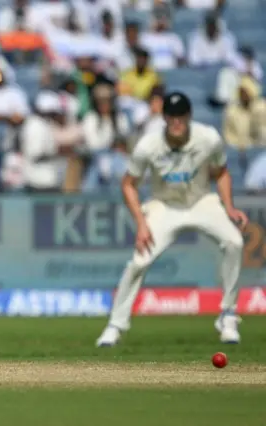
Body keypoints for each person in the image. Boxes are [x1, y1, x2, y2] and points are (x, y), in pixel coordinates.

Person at [96, 92, 248, 347]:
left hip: (201, 201)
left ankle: (228, 315)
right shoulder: (148, 146)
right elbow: (128, 184)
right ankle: (115, 325)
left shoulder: (208, 138)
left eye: (181, 117)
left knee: (234, 242)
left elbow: (221, 173)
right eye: (171, 117)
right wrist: (142, 224)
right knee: (139, 261)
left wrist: (229, 207)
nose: (176, 122)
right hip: (164, 206)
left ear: (189, 117)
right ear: (164, 118)